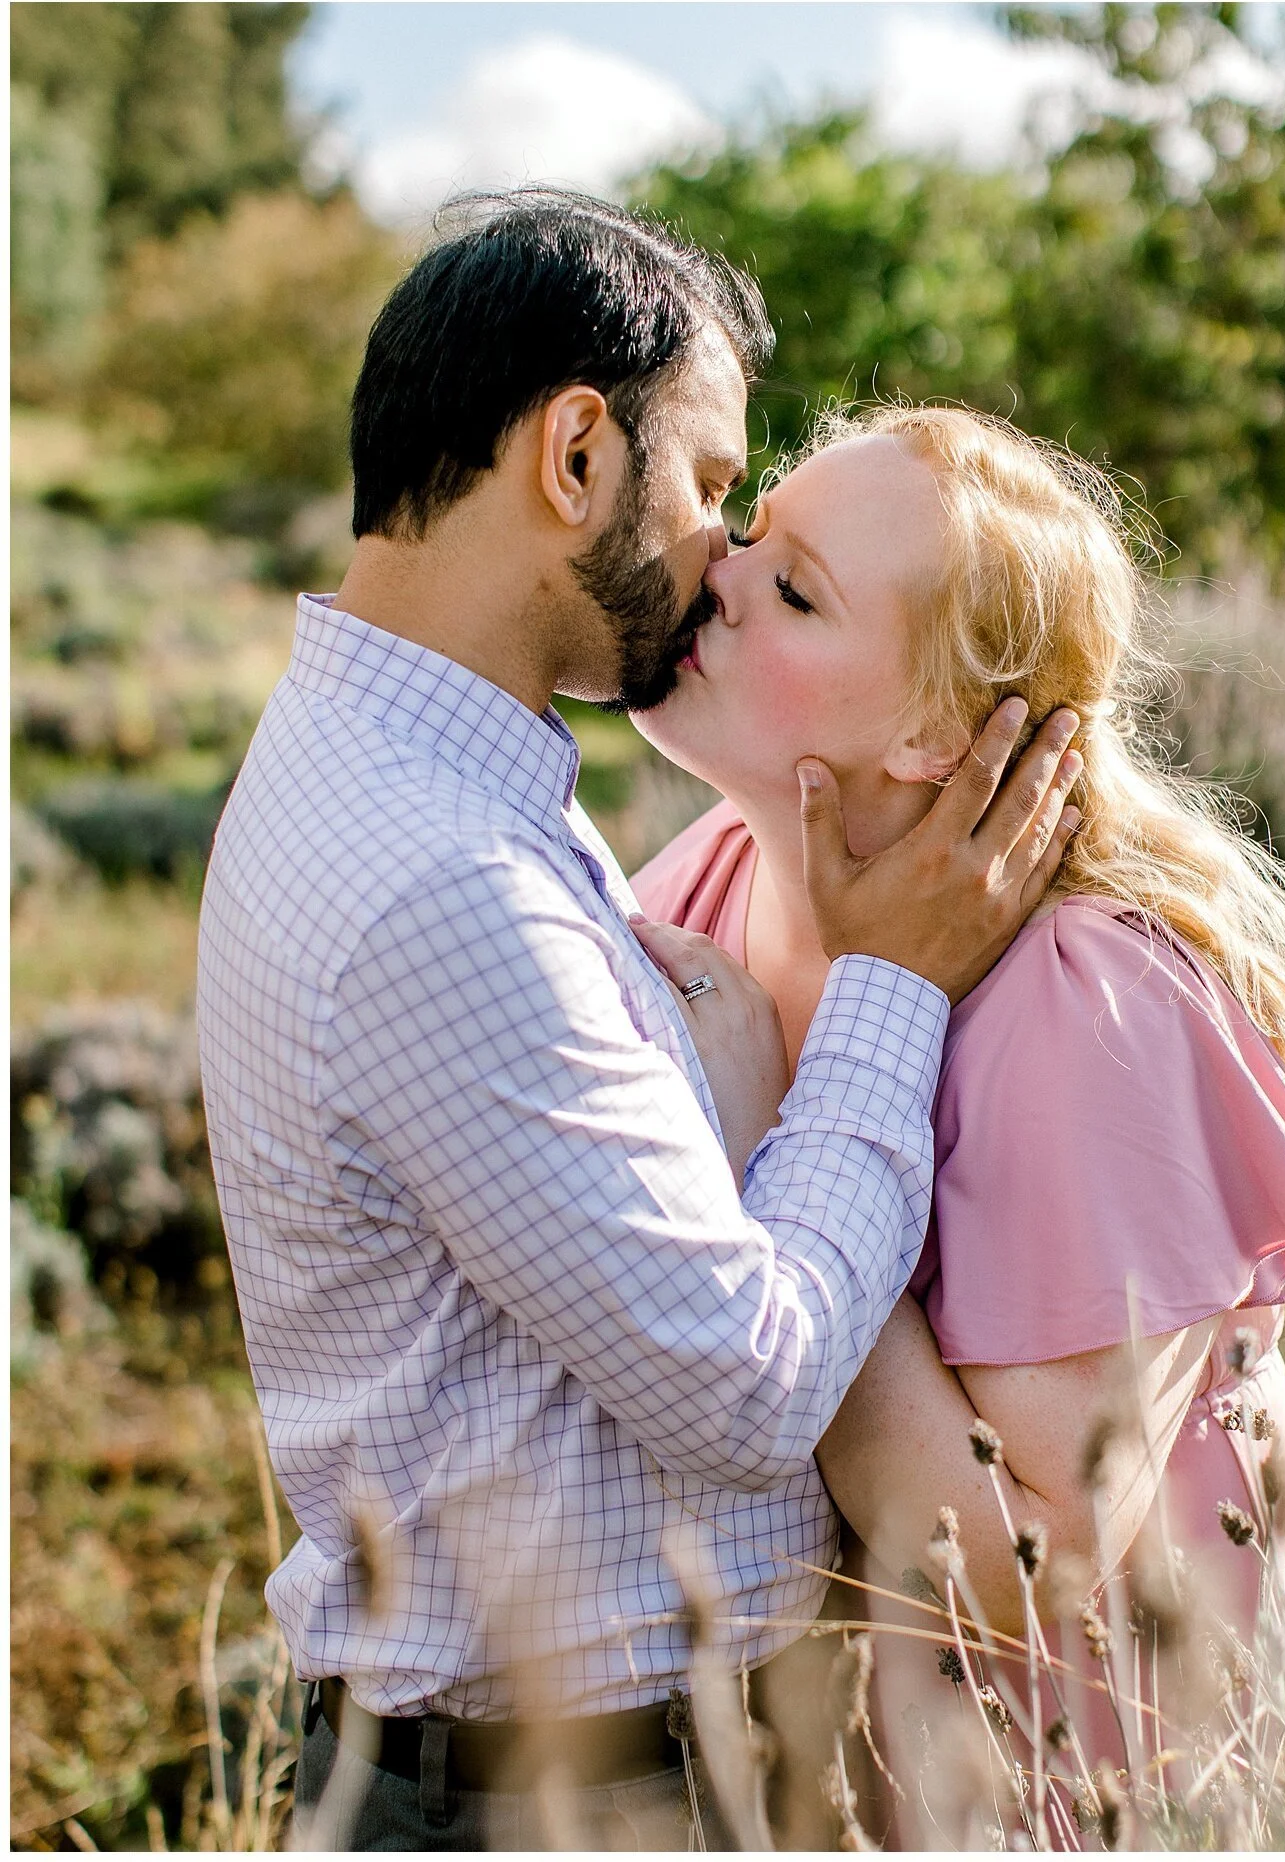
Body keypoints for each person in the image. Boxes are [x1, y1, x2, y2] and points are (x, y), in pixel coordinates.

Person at [195, 195, 1083, 1851]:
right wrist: (894, 987)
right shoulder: (439, 874)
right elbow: (747, 1386)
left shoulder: (421, 773)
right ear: (578, 456)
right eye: (714, 485)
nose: (720, 556)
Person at [630, 403, 1285, 1845]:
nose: (716, 575)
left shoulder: (1078, 1004)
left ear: (938, 733)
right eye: (753, 536)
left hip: (1111, 1801)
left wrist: (767, 1154)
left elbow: (1020, 1574)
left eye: (795, 589)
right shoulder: (700, 884)